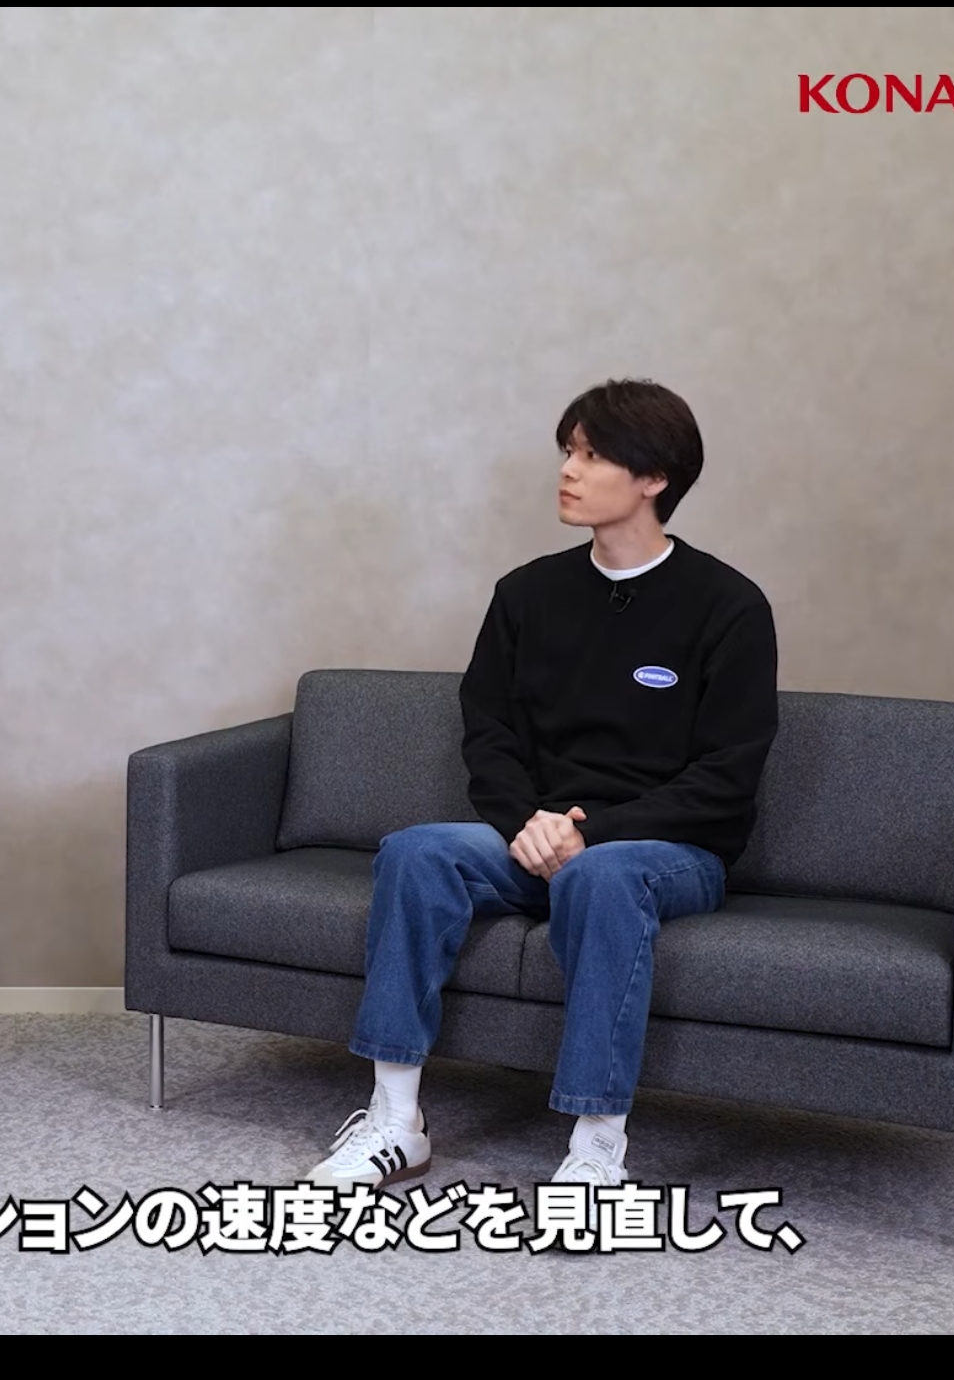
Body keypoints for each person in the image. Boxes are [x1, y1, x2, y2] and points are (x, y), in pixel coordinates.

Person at [309, 379, 778, 1191]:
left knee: (601, 874)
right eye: (568, 451)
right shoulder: (527, 594)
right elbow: (487, 731)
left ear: (654, 477)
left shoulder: (728, 606)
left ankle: (596, 1149)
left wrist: (588, 832)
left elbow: (726, 776)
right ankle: (395, 1120)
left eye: (592, 455)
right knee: (417, 852)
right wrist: (530, 822)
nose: (568, 470)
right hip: (535, 835)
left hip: (667, 852)